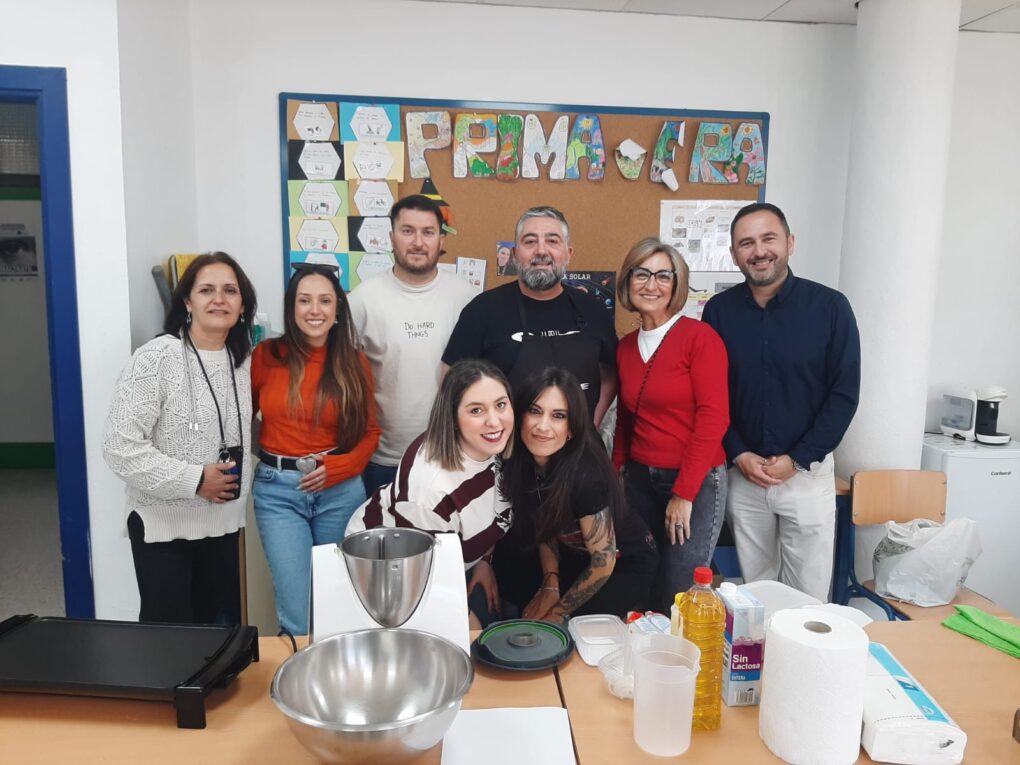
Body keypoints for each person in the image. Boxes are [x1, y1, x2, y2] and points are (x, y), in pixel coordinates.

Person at [701, 202, 861, 602]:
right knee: (756, 595)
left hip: (806, 475)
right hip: (745, 475)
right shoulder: (718, 312)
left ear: (789, 242)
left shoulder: (831, 308)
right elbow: (711, 394)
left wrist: (798, 459)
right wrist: (739, 453)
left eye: (768, 239)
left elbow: (843, 395)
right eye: (746, 243)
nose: (759, 251)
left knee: (808, 597)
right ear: (734, 254)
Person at [103, 252, 257, 625]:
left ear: (242, 306)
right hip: (163, 526)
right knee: (168, 641)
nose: (219, 299)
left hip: (223, 523)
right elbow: (119, 448)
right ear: (187, 302)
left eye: (230, 291)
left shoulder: (243, 361)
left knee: (213, 637)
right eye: (206, 290)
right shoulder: (156, 358)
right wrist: (196, 480)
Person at [251, 263, 380, 635]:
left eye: (325, 301)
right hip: (279, 493)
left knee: (341, 604)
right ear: (291, 308)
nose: (314, 310)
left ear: (338, 310)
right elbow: (239, 418)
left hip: (340, 493)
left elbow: (371, 431)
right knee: (298, 612)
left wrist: (342, 467)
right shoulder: (266, 356)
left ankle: (339, 674)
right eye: (304, 300)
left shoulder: (354, 361)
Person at [346, 359, 514, 628]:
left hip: (455, 562)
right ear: (452, 418)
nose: (494, 421)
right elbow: (427, 586)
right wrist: (471, 630)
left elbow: (495, 510)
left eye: (501, 405)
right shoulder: (430, 490)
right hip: (396, 579)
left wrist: (484, 560)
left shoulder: (497, 447)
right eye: (476, 410)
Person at [612, 238, 730, 613]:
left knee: (678, 590)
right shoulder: (626, 347)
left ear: (677, 284)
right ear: (628, 281)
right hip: (640, 480)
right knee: (642, 579)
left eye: (663, 275)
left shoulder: (699, 338)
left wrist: (684, 494)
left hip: (694, 481)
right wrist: (617, 474)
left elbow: (714, 417)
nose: (652, 285)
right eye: (642, 274)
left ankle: (678, 652)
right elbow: (626, 419)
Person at [500, 368, 657, 621]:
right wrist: (550, 583)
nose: (542, 426)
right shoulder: (523, 463)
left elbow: (603, 562)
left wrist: (559, 613)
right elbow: (545, 524)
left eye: (558, 416)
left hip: (623, 561)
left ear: (571, 428)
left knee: (575, 627)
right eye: (535, 411)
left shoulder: (586, 478)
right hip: (576, 554)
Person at [442, 205, 617, 426]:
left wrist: (591, 425)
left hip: (578, 446)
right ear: (515, 255)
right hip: (505, 445)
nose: (541, 251)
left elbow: (610, 373)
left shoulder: (593, 310)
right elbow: (451, 379)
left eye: (552, 241)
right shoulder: (482, 310)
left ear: (568, 253)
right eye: (530, 241)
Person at [348, 194, 475, 496]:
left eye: (428, 232)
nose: (418, 242)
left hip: (452, 452)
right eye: (407, 231)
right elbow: (340, 378)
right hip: (384, 459)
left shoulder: (466, 298)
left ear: (441, 240)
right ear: (391, 237)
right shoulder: (362, 300)